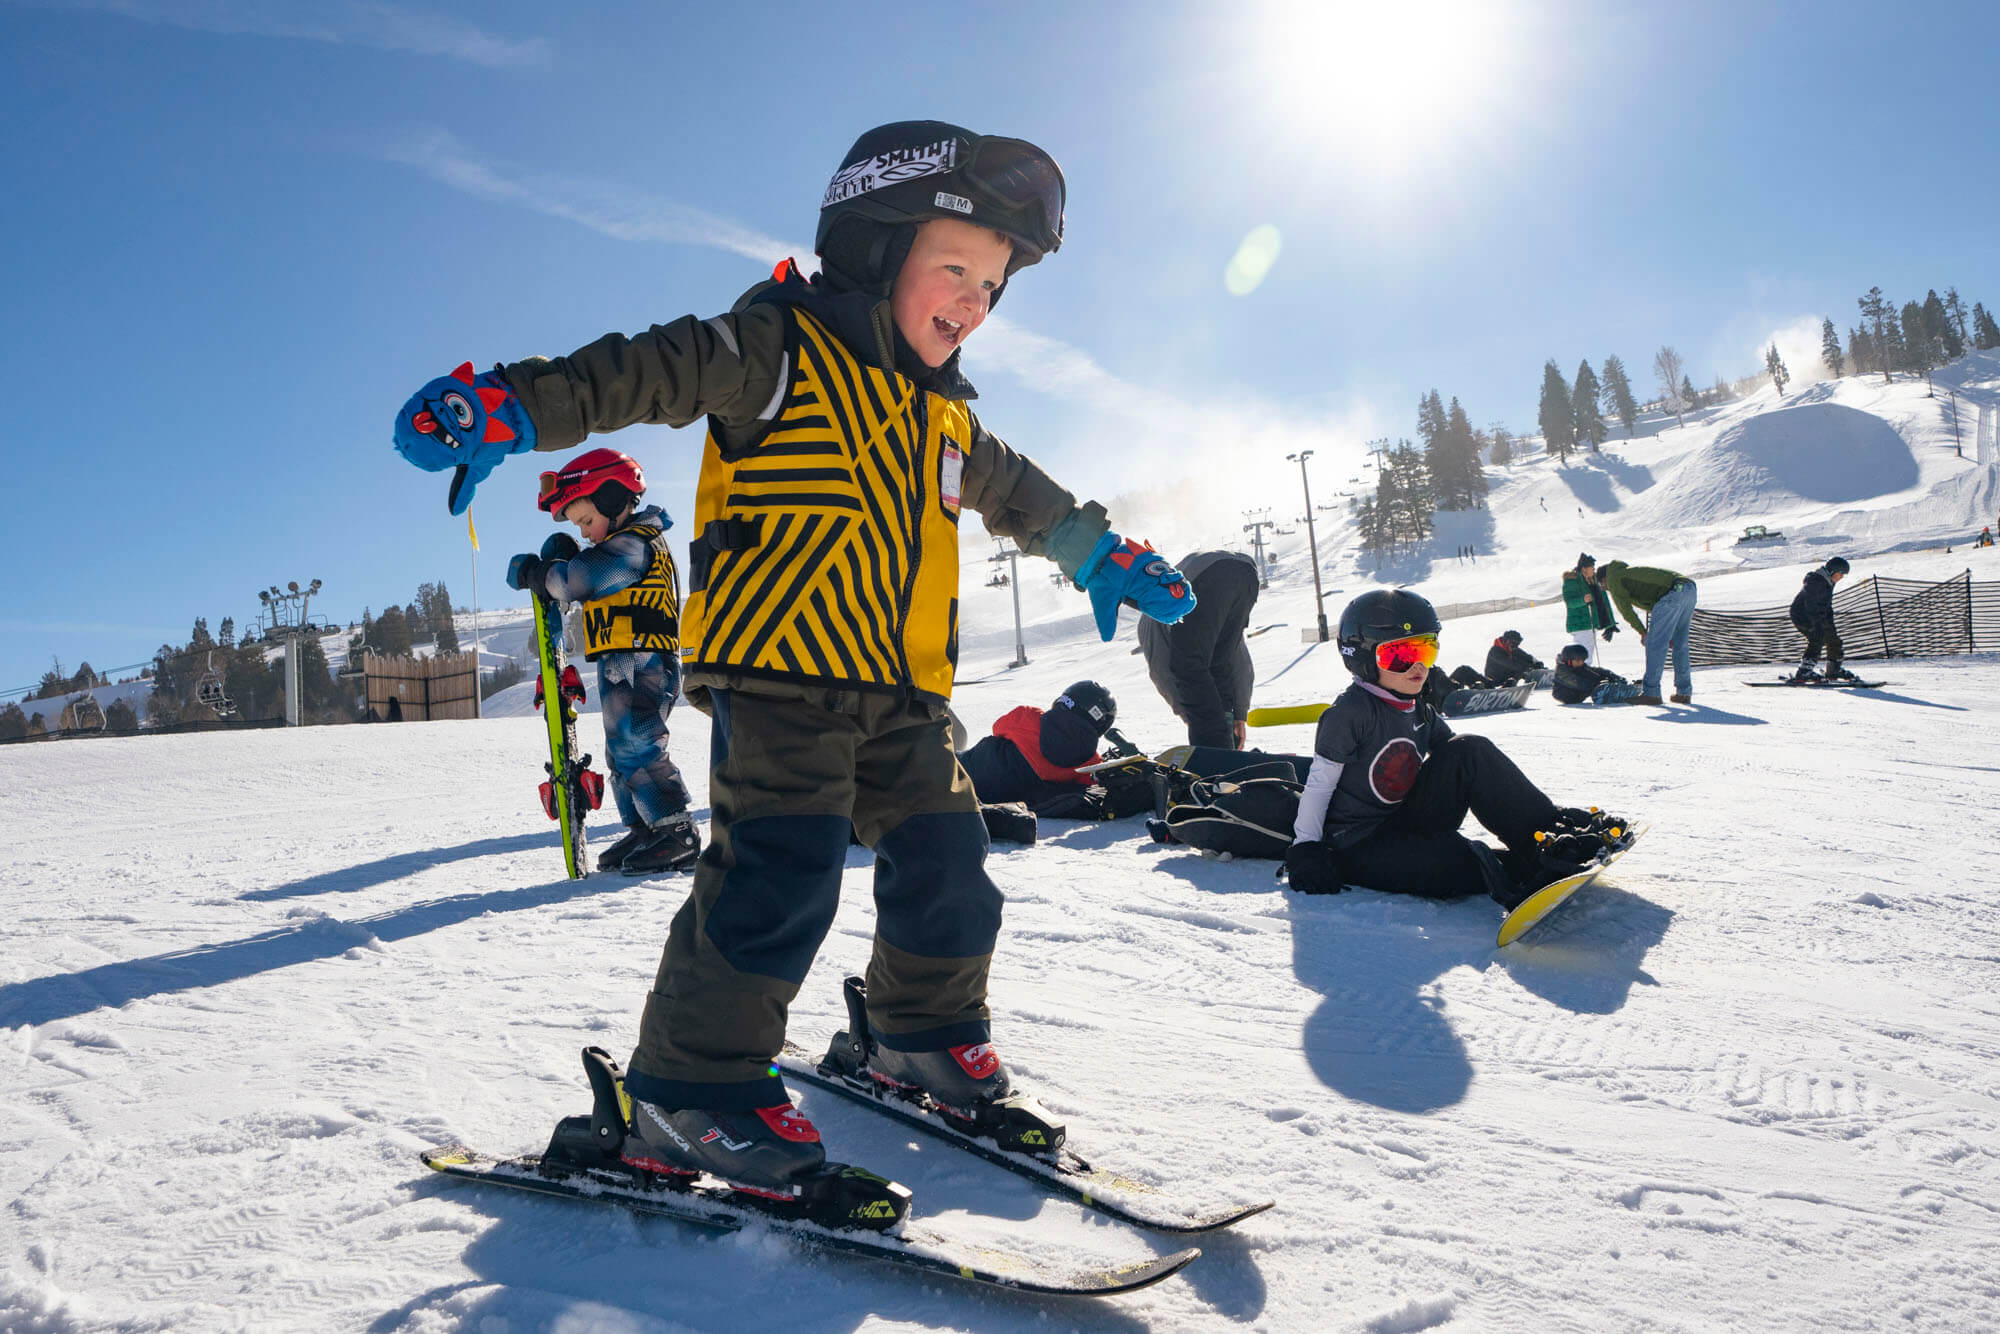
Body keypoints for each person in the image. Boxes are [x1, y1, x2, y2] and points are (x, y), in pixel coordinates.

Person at [391, 122, 1195, 1202]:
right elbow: (648, 369)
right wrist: (516, 403)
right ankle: (690, 1086)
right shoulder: (775, 349)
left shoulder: (949, 422)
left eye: (992, 288)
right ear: (875, 247)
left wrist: (1104, 554)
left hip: (903, 697)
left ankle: (923, 1034)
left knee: (953, 863)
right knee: (780, 875)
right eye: (952, 267)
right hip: (782, 677)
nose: (971, 303)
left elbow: (1030, 502)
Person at [1282, 590, 1628, 911]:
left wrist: (1533, 812)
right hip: (1360, 843)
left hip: (1407, 821)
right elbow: (1320, 785)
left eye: (1425, 651)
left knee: (1470, 749)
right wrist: (1306, 848)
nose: (1418, 667)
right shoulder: (1350, 713)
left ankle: (1546, 837)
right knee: (1453, 865)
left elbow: (1465, 764)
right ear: (1363, 659)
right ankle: (1520, 868)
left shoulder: (1417, 706)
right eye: (1400, 656)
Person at [504, 449, 698, 875]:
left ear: (613, 499)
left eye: (587, 521)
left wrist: (543, 575)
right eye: (579, 527)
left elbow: (582, 579)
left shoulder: (634, 545)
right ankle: (645, 828)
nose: (587, 534)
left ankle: (676, 830)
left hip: (647, 662)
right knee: (620, 750)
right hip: (621, 660)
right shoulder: (617, 542)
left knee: (638, 742)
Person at [1137, 549, 1261, 749]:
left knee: (1189, 669)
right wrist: (1238, 713)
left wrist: (1190, 716)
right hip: (1246, 574)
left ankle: (1215, 754)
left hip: (1207, 577)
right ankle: (1227, 743)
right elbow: (1236, 657)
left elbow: (1163, 671)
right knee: (1218, 664)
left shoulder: (1150, 619)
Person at [958, 681, 1118, 814]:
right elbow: (1090, 784)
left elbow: (997, 728)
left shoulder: (1028, 716)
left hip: (963, 772)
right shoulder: (1090, 761)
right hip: (998, 798)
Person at [1600, 559, 1697, 706]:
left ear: (1603, 579)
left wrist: (1643, 633)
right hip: (1688, 589)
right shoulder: (1628, 574)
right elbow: (1656, 605)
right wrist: (1663, 633)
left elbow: (1626, 611)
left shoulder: (1614, 579)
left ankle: (1651, 694)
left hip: (1673, 593)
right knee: (1680, 646)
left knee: (1655, 645)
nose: (1605, 589)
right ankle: (1684, 692)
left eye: (1602, 585)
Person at [1788, 556, 1854, 683]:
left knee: (1833, 639)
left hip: (1817, 615)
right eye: (1840, 574)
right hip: (1802, 615)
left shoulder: (1829, 582)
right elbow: (1810, 604)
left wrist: (1830, 624)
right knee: (1817, 637)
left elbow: (1826, 606)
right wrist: (1816, 624)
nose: (1841, 577)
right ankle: (1804, 671)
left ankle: (1833, 670)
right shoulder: (1816, 580)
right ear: (1832, 571)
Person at [1560, 553, 1616, 666]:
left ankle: (1575, 669)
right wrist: (1583, 600)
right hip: (1580, 623)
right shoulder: (1572, 580)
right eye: (1592, 567)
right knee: (1584, 654)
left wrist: (1610, 625)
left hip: (1590, 624)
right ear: (1584, 569)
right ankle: (1580, 672)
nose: (1594, 570)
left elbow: (1604, 603)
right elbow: (1569, 602)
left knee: (1583, 652)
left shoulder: (1594, 582)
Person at [1551, 644, 1644, 705]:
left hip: (1578, 691)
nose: (1581, 663)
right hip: (1566, 695)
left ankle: (1622, 689)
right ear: (1569, 660)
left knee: (1595, 674)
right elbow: (1576, 682)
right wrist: (1596, 684)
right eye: (1578, 660)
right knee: (1591, 679)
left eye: (1583, 660)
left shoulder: (1579, 667)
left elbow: (1593, 671)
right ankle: (1606, 692)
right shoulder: (1561, 671)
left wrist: (1609, 675)